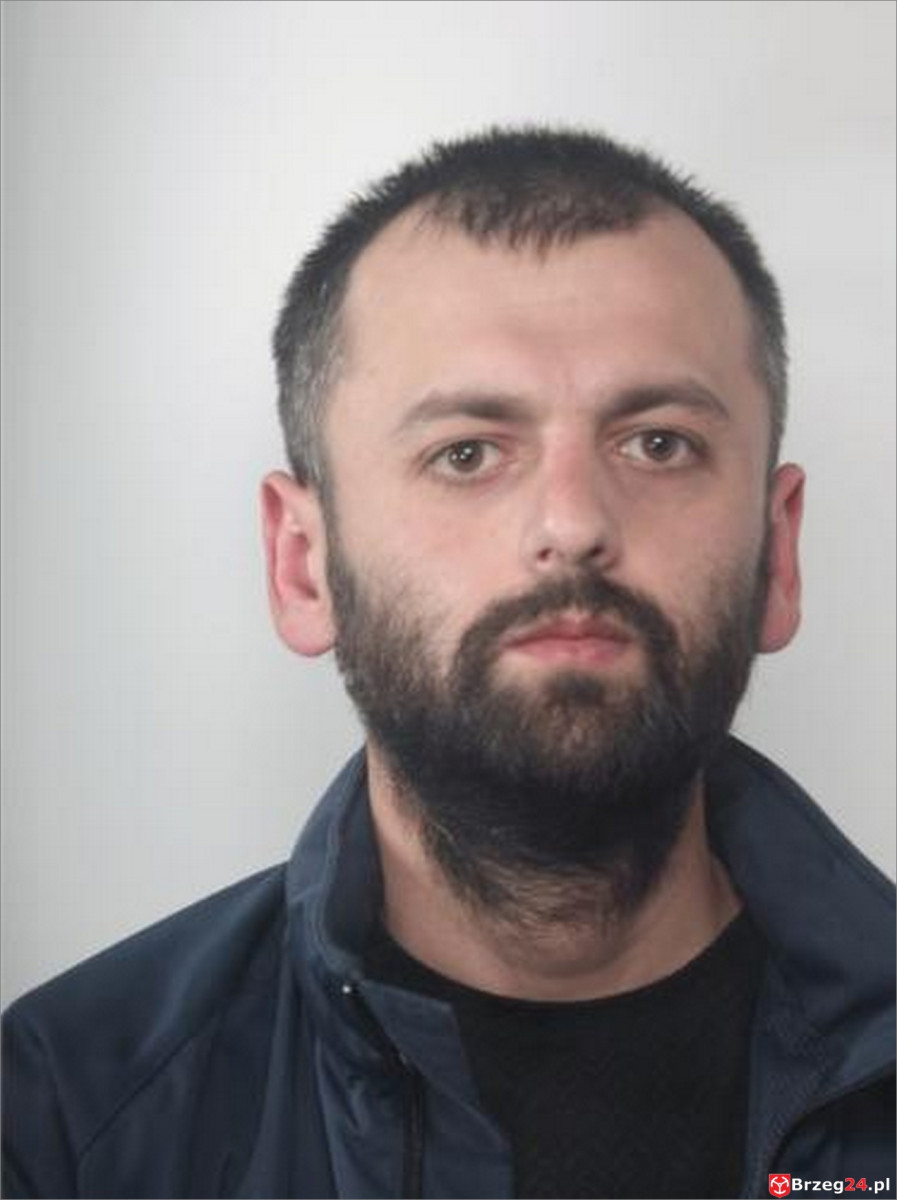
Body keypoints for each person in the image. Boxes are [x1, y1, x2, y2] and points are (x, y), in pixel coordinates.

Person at [3, 126, 894, 1200]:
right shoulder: (64, 1122)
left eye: (657, 442)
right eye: (466, 453)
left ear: (778, 553)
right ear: (302, 565)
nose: (571, 524)